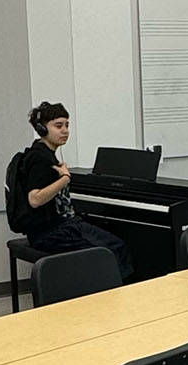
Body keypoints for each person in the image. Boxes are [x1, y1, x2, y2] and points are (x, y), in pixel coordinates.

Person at [11, 101, 132, 278]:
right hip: (51, 233)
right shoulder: (39, 158)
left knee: (114, 245)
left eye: (67, 125)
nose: (65, 130)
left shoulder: (45, 153)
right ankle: (114, 298)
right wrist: (65, 179)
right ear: (42, 129)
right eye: (58, 126)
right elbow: (35, 199)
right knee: (111, 250)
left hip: (60, 226)